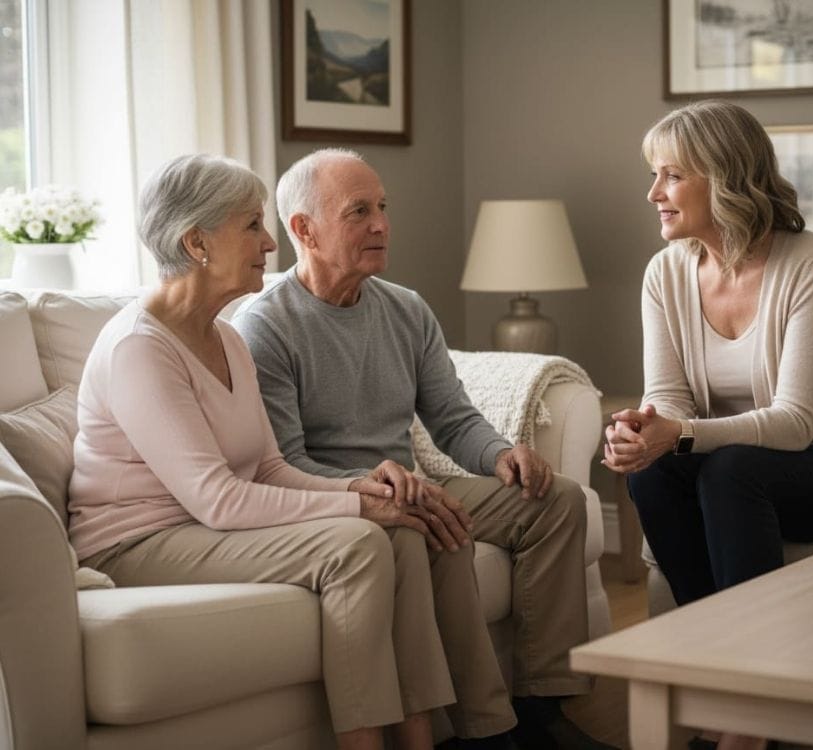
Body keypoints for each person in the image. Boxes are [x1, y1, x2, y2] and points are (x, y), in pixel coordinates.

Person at [68, 153, 494, 750]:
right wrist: (357, 507)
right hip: (136, 543)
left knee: (401, 530)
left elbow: (269, 467)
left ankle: (420, 739)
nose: (269, 243)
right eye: (251, 225)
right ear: (196, 242)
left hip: (201, 526)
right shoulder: (140, 348)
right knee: (357, 545)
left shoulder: (225, 336)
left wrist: (363, 490)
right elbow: (218, 499)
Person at [232, 148, 613, 750]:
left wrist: (500, 454)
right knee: (437, 525)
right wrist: (374, 490)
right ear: (304, 229)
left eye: (382, 207)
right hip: (338, 500)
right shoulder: (265, 326)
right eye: (359, 211)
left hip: (410, 482)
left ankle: (544, 706)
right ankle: (486, 731)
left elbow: (453, 418)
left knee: (556, 501)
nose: (381, 224)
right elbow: (283, 463)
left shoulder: (406, 308)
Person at [603, 101, 813, 750]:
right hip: (732, 469)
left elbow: (796, 424)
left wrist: (680, 434)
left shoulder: (811, 263)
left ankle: (749, 714)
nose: (654, 193)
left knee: (730, 470)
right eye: (655, 175)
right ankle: (716, 675)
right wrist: (643, 432)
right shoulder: (665, 273)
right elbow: (668, 400)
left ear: (724, 177)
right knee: (654, 474)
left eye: (671, 176)